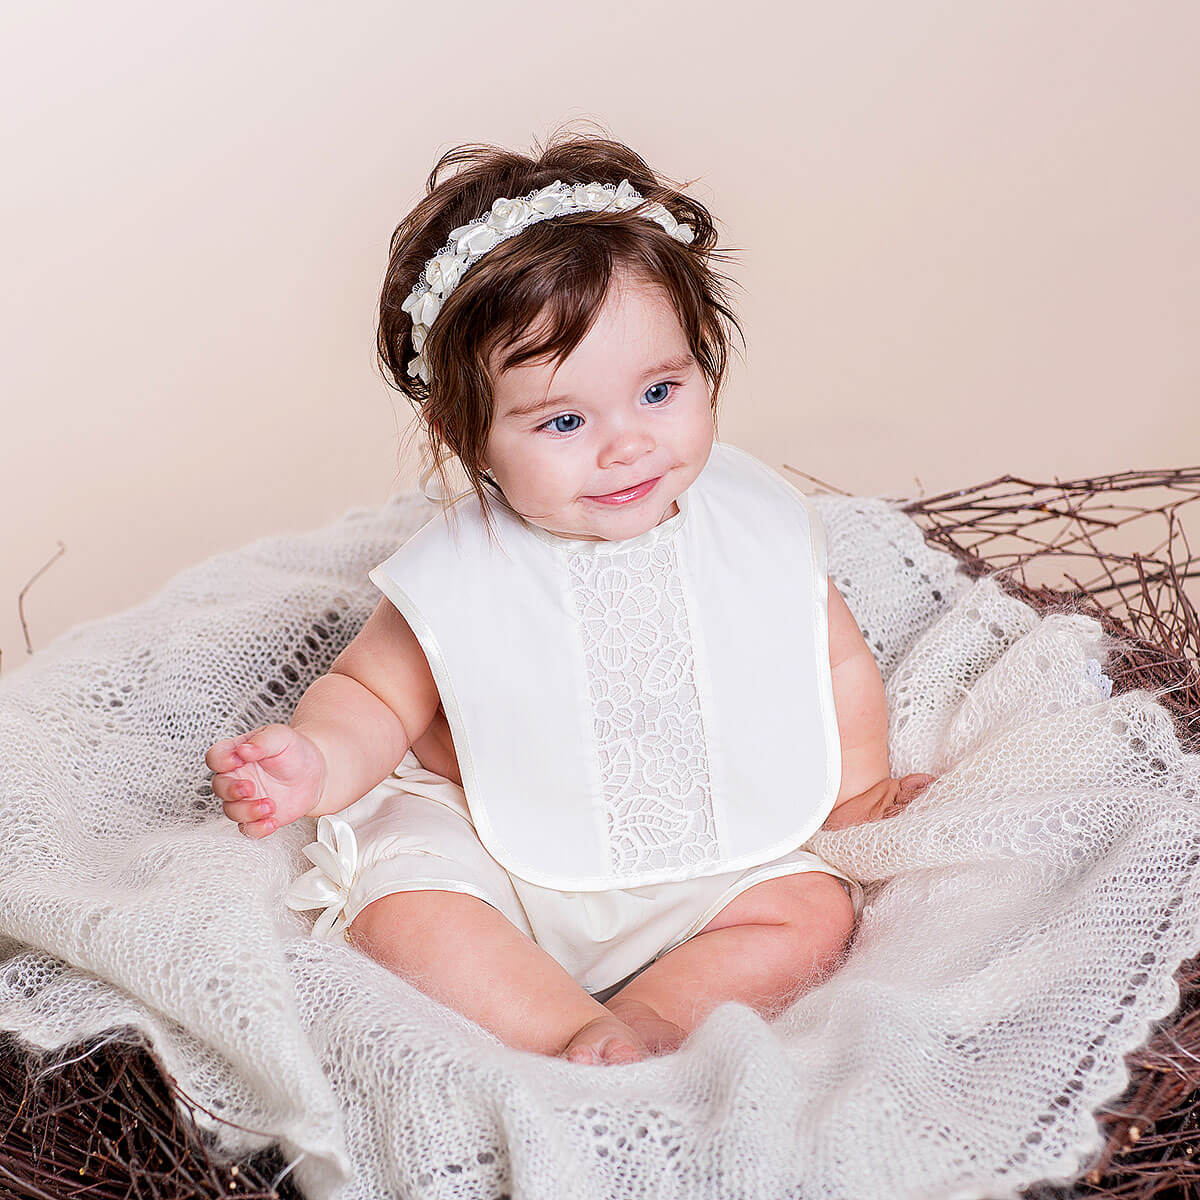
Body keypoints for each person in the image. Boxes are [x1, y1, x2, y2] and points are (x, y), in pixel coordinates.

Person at [204, 127, 935, 1067]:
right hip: (495, 847)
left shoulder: (752, 529)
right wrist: (314, 762)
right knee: (402, 896)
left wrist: (855, 791)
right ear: (466, 431)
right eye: (562, 419)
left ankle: (651, 1025)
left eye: (661, 391)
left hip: (710, 842)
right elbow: (373, 698)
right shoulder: (462, 570)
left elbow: (830, 659)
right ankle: (562, 1029)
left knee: (809, 908)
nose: (626, 445)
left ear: (704, 361)